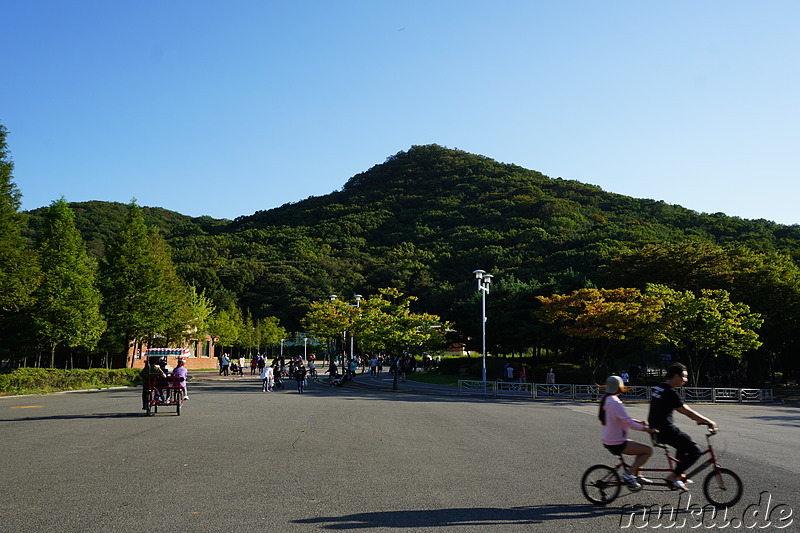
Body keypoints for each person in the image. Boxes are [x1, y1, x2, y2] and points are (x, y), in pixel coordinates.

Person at [648, 363, 718, 491]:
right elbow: (686, 411)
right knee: (695, 451)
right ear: (675, 376)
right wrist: (707, 421)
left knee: (683, 444)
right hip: (665, 429)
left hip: (657, 428)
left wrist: (698, 420)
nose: (685, 380)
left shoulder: (660, 387)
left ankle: (678, 474)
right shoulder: (670, 392)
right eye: (684, 377)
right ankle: (673, 476)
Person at [599, 375, 655, 489]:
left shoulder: (606, 400)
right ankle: (628, 474)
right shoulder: (616, 402)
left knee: (640, 449)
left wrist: (638, 422)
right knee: (647, 451)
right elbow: (628, 423)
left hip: (609, 439)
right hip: (617, 441)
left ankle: (637, 476)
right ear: (620, 388)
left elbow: (622, 419)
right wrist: (646, 429)